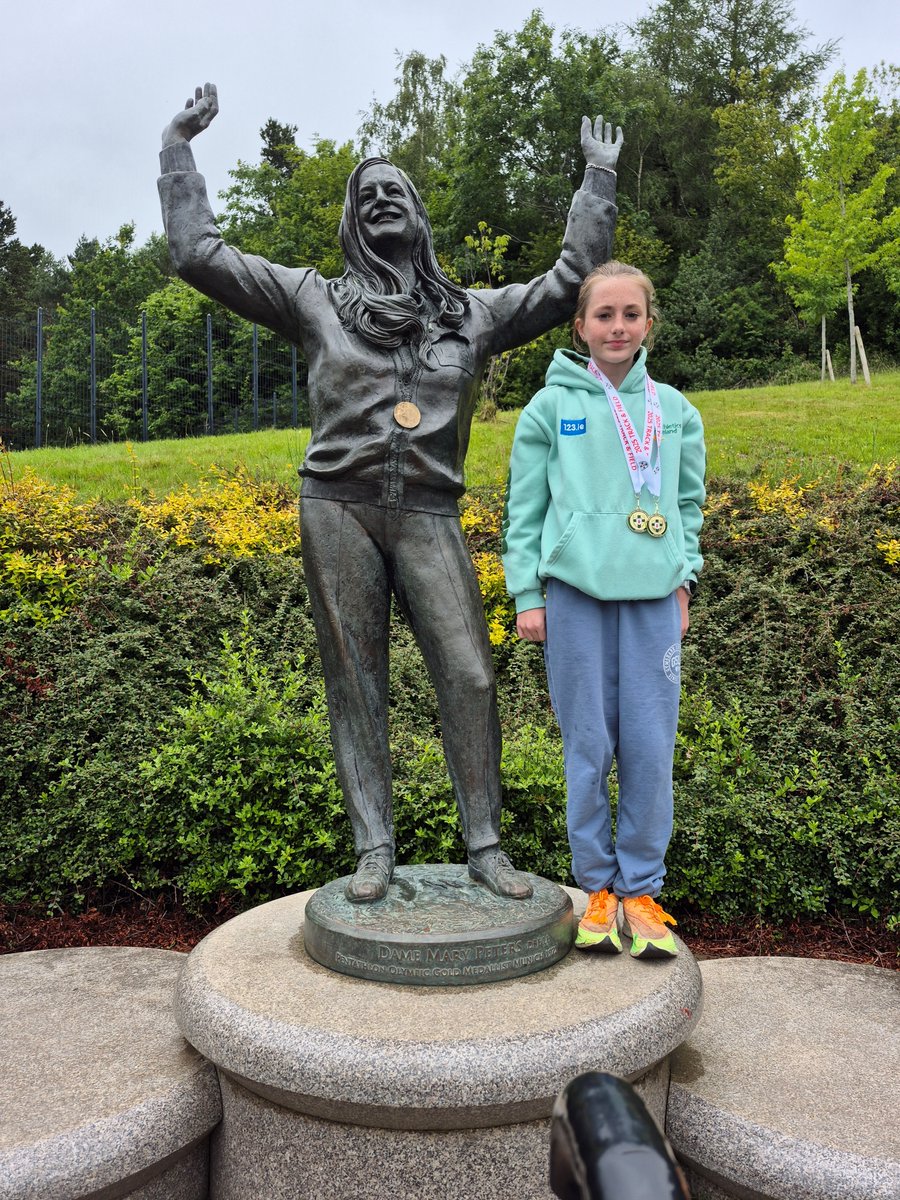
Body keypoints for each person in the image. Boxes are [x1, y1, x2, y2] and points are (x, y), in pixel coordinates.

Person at [157, 84, 624, 903]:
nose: (380, 201)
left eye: (395, 192)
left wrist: (596, 181)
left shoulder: (471, 316)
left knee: (470, 675)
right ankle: (375, 847)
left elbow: (569, 281)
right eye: (365, 195)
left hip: (430, 512)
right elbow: (201, 255)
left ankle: (486, 846)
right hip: (337, 503)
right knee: (356, 678)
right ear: (351, 222)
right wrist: (178, 148)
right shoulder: (313, 299)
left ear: (417, 216)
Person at [501, 262, 705, 956]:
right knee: (588, 749)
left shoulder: (675, 411)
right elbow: (523, 513)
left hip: (653, 602)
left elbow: (686, 507)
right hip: (576, 601)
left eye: (630, 314)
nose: (617, 327)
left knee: (650, 750)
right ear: (580, 325)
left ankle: (642, 892)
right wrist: (528, 594)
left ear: (648, 323)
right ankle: (596, 889)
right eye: (603, 315)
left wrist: (684, 582)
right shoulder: (547, 409)